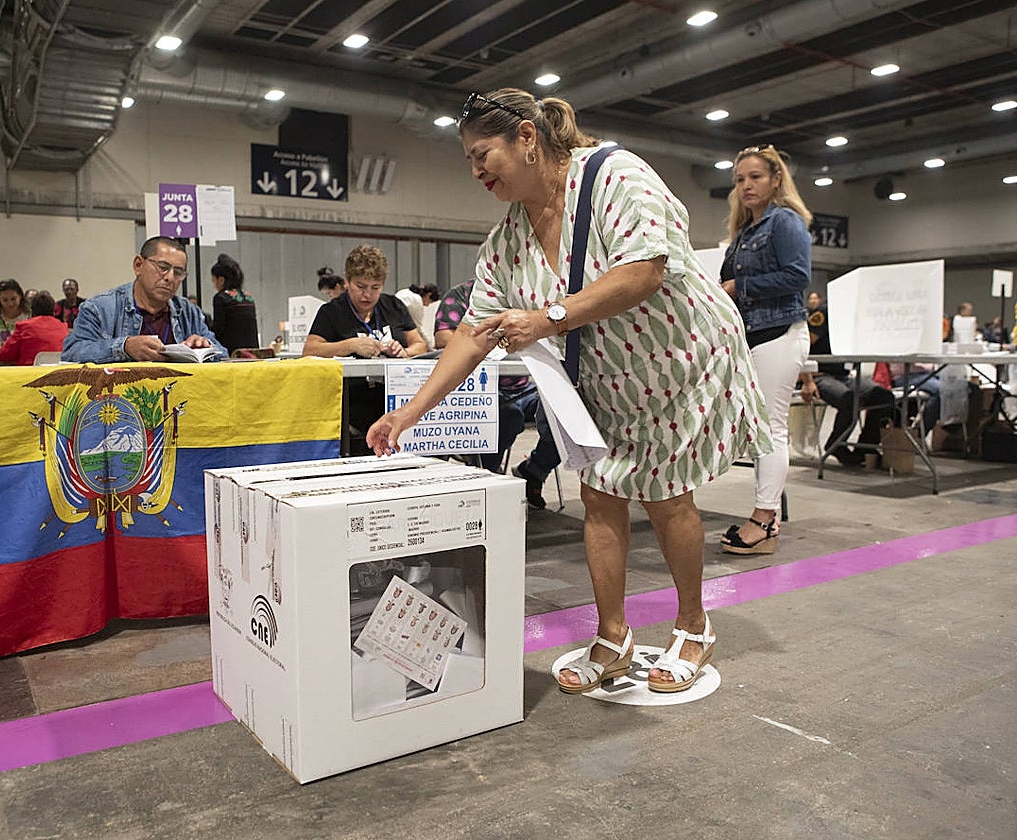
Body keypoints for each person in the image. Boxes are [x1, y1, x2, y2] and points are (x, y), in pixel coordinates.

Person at [366, 88, 769, 695]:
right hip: (605, 374)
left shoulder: (614, 175)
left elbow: (643, 271)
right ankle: (614, 637)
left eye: (484, 153)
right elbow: (474, 334)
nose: (476, 170)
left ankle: (693, 623)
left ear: (527, 138)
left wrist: (548, 319)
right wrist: (409, 415)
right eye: (468, 159)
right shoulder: (507, 238)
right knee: (599, 494)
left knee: (664, 493)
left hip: (680, 358)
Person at [718, 144, 812, 556]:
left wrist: (742, 288)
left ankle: (765, 517)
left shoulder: (785, 222)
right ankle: (764, 512)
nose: (746, 185)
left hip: (779, 332)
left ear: (776, 179)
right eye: (740, 179)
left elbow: (797, 276)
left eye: (755, 177)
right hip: (751, 337)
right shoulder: (744, 232)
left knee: (771, 429)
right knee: (759, 431)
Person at [434, 278, 560, 509]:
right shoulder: (460, 295)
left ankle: (534, 470)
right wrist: (487, 345)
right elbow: (443, 338)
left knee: (565, 414)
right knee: (508, 414)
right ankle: (486, 479)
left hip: (526, 386)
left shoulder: (526, 298)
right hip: (484, 389)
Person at [305, 245, 427, 453]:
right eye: (360, 286)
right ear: (347, 282)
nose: (367, 294)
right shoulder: (331, 312)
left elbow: (421, 346)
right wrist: (349, 345)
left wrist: (404, 352)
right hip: (351, 404)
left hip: (395, 398)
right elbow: (309, 351)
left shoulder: (394, 306)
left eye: (375, 287)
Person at [62, 236, 225, 364]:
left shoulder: (189, 312)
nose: (169, 278)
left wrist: (205, 347)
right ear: (138, 265)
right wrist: (124, 347)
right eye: (163, 268)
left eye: (178, 272)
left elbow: (222, 352)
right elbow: (72, 352)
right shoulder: (100, 308)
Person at [806, 302, 895, 465]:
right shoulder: (824, 312)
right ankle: (836, 444)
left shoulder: (857, 317)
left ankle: (866, 446)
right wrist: (807, 380)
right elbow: (804, 344)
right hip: (820, 374)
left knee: (883, 397)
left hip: (844, 375)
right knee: (849, 398)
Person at [0, 291, 70, 365]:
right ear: (54, 311)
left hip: (29, 374)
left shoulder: (24, 327)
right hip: (58, 374)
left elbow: (3, 356)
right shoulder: (63, 327)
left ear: (32, 311)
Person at [210, 254, 259, 351]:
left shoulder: (221, 297)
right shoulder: (248, 297)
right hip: (253, 354)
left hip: (232, 355)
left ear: (221, 280)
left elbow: (218, 330)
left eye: (213, 281)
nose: (214, 285)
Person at [396, 283, 441, 348]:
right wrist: (430, 346)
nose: (427, 305)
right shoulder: (417, 302)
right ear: (428, 295)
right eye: (430, 302)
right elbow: (418, 328)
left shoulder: (404, 292)